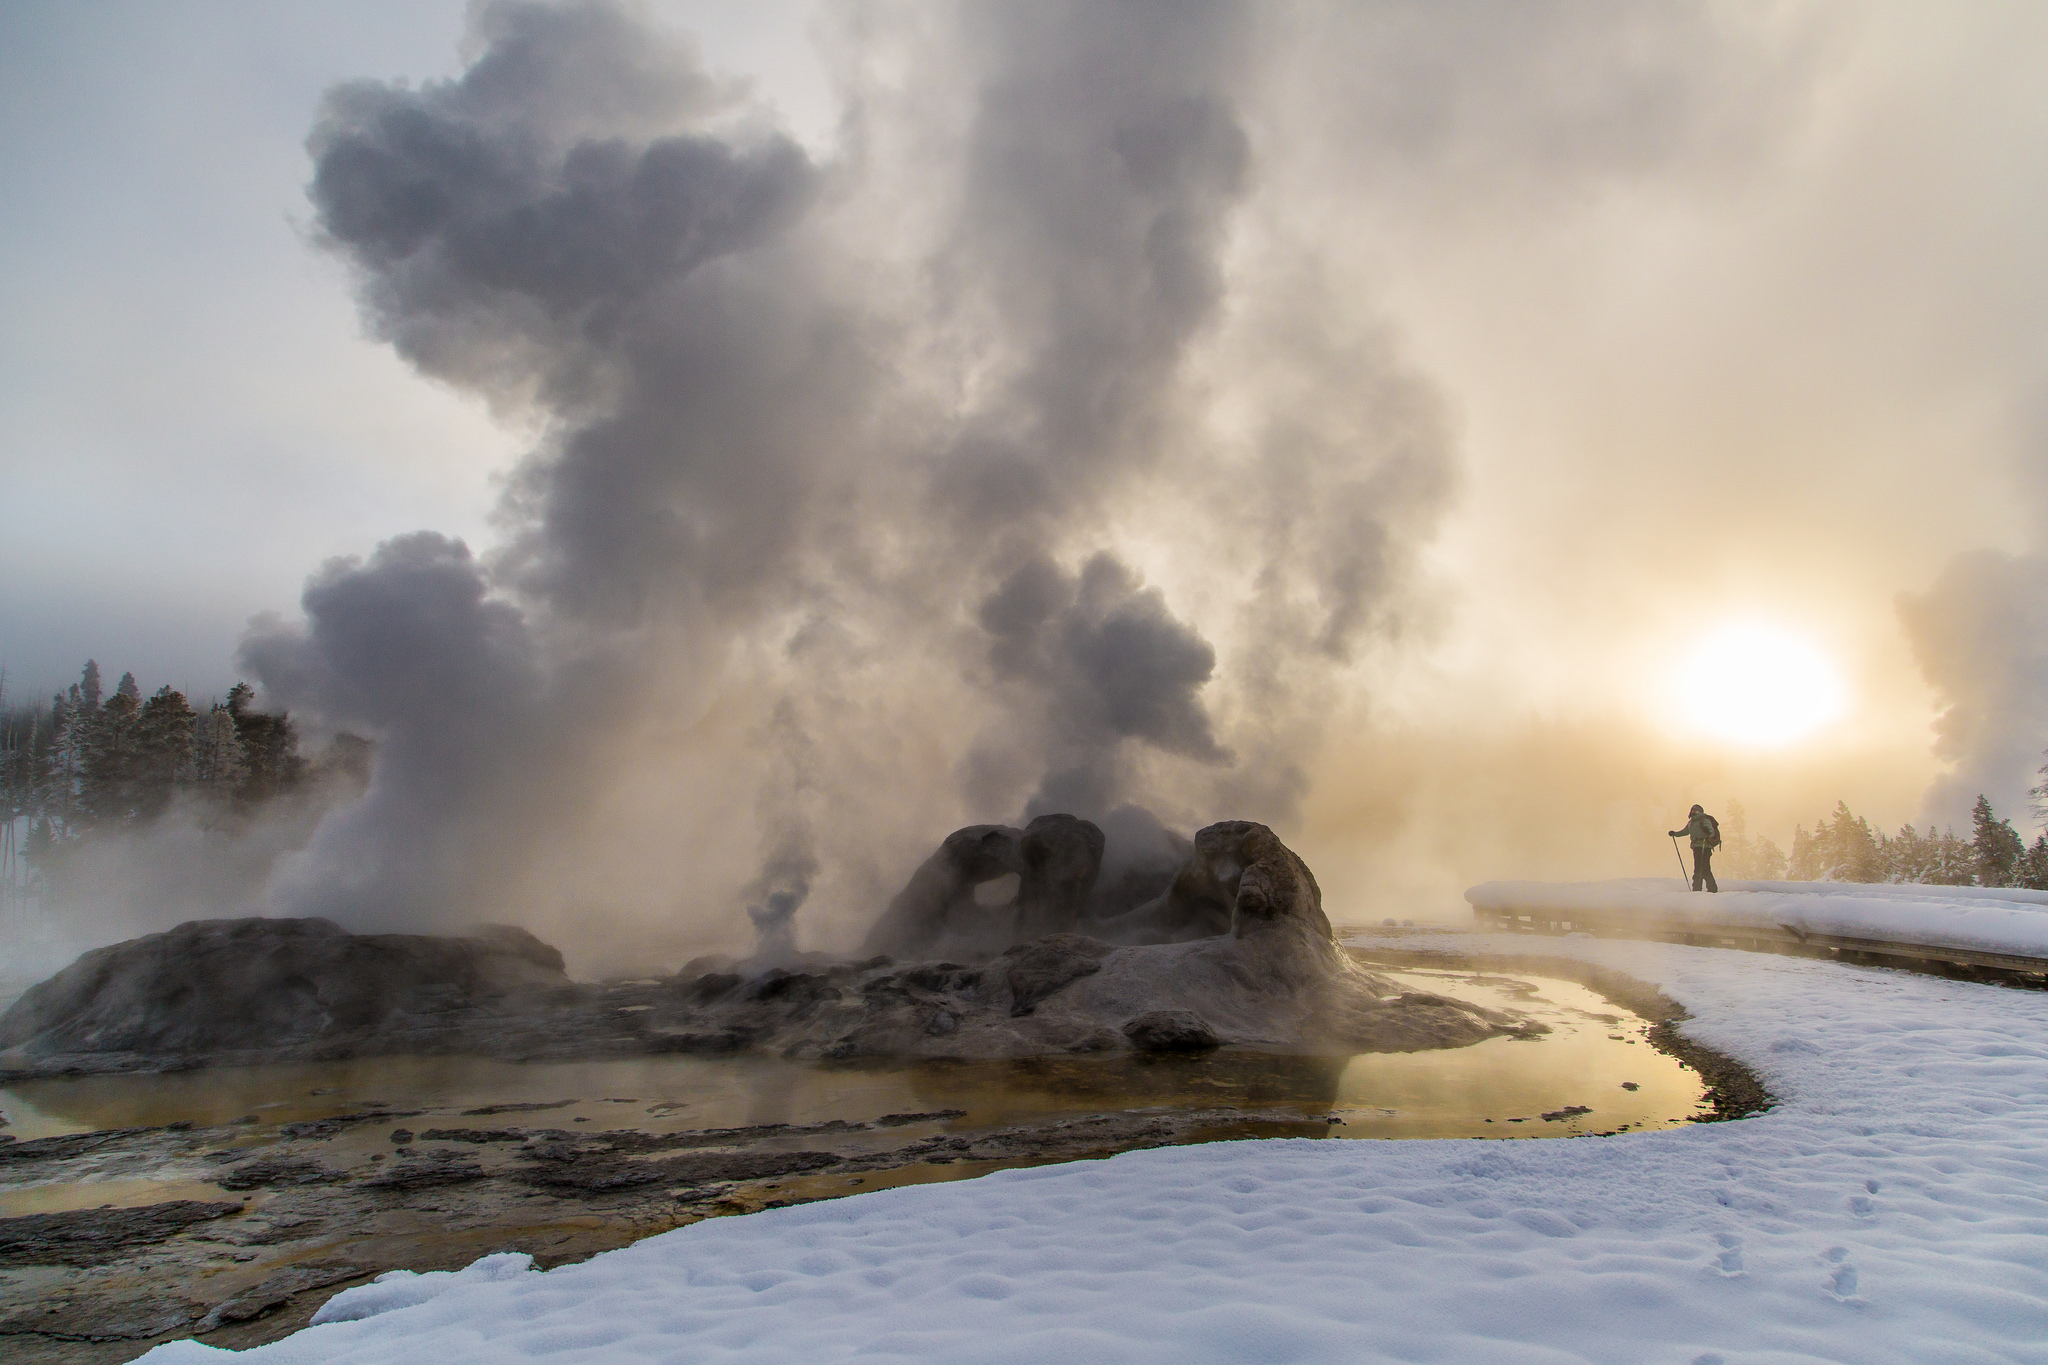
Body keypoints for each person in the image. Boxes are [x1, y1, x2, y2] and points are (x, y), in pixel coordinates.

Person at [1670, 804, 1721, 892]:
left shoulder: (1703, 820)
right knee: (1703, 869)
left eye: (1696, 811)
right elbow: (1685, 832)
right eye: (1693, 810)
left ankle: (1699, 890)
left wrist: (1707, 833)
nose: (1694, 812)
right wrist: (1675, 834)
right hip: (1697, 847)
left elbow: (1711, 832)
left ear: (1700, 812)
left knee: (1700, 869)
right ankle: (1710, 889)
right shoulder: (1691, 822)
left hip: (1705, 847)